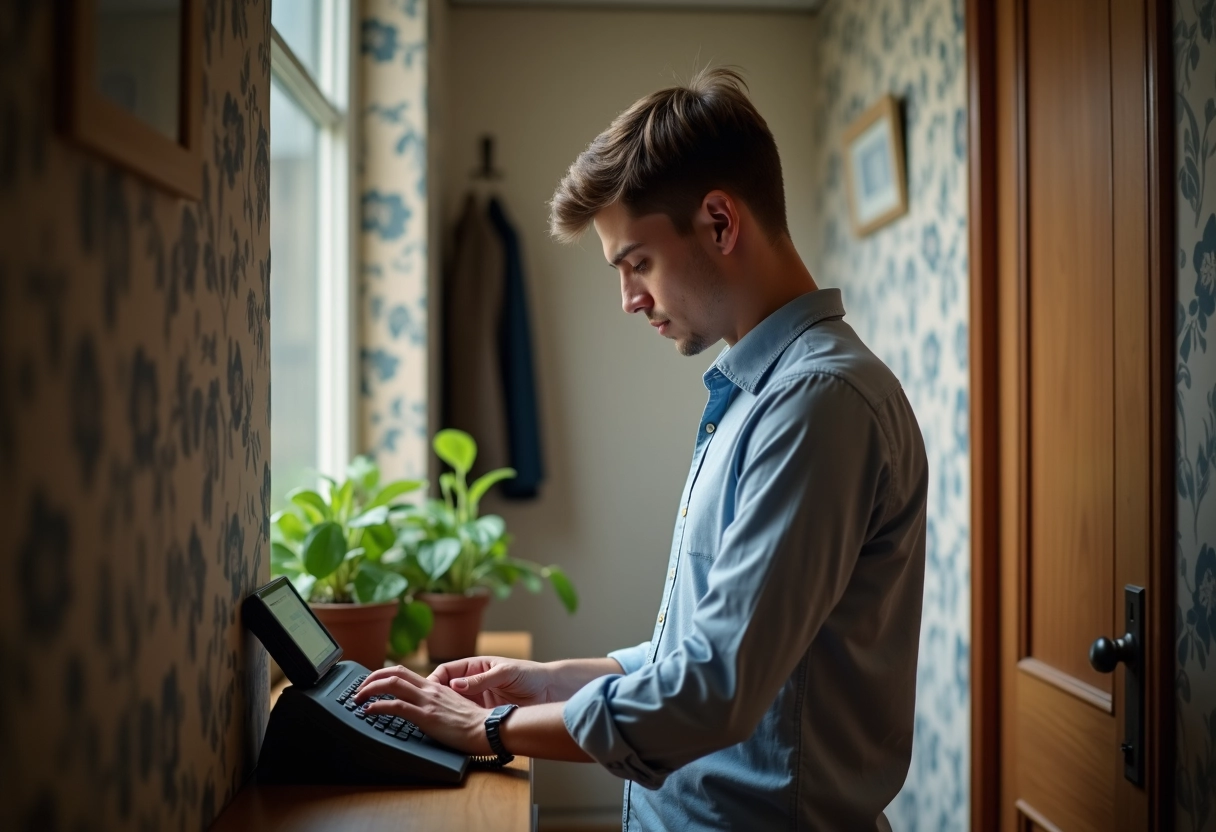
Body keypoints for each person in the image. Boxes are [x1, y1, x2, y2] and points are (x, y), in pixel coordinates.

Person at [353, 67, 929, 831]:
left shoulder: (818, 406)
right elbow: (707, 643)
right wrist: (551, 679)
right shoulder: (764, 395)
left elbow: (710, 688)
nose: (629, 299)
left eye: (637, 263)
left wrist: (483, 730)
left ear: (720, 223)